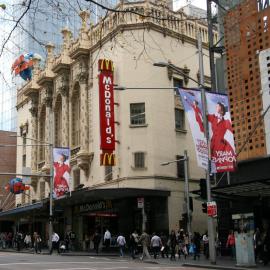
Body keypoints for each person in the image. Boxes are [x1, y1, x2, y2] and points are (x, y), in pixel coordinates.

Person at [208, 102, 235, 172]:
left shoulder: (226, 121)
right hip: (213, 143)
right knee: (213, 162)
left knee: (220, 163)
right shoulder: (213, 118)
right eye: (216, 106)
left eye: (217, 106)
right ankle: (213, 175)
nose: (216, 107)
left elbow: (233, 131)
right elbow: (204, 116)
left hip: (221, 145)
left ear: (221, 110)